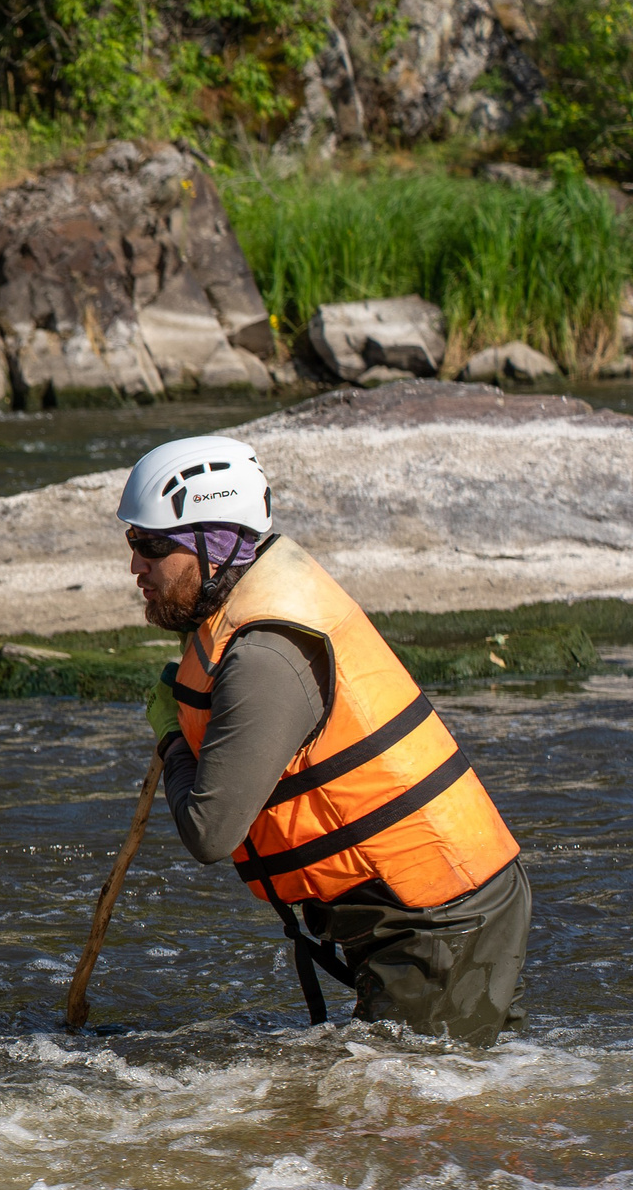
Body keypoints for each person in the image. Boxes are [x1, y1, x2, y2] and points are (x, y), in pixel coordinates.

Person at [125, 436, 530, 1045]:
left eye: (153, 546)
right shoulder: (237, 605)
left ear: (217, 545)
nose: (136, 567)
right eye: (133, 543)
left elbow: (210, 833)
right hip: (426, 911)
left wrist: (172, 742)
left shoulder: (265, 656)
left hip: (439, 916)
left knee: (408, 1127)